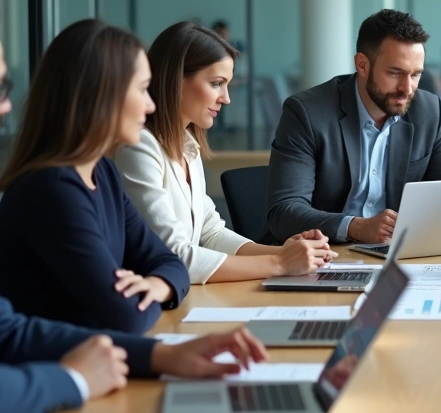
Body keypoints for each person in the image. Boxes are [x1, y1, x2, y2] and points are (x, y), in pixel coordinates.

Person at [0, 0, 269, 413]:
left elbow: (5, 330)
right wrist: (77, 379)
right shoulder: (46, 190)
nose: (6, 108)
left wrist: (160, 357)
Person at [0, 19, 192, 334]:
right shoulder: (50, 189)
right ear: (102, 96)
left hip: (95, 363)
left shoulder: (104, 172)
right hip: (55, 372)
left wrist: (155, 285)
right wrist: (156, 290)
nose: (151, 106)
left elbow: (173, 265)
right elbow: (128, 316)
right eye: (142, 90)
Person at [114, 22, 335, 284]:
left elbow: (212, 233)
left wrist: (286, 253)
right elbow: (174, 257)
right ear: (175, 79)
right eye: (216, 83)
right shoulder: (139, 147)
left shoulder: (187, 145)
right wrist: (280, 263)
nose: (226, 98)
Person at [267, 9, 441, 244]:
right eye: (395, 73)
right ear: (362, 65)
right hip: (324, 253)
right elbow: (284, 212)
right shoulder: (307, 113)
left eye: (416, 75)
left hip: (395, 255)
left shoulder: (428, 111)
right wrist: (355, 227)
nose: (407, 88)